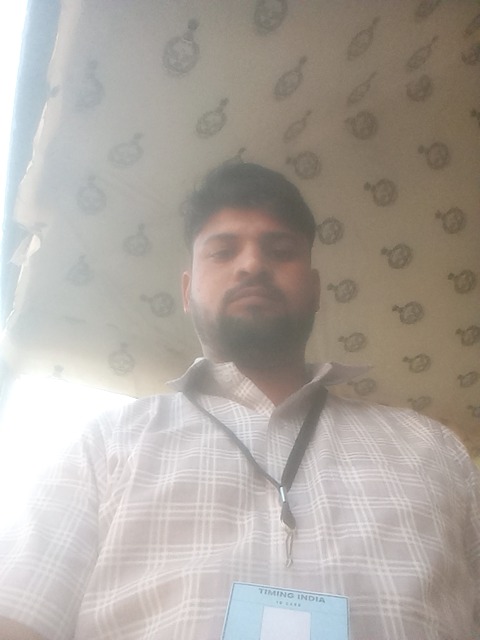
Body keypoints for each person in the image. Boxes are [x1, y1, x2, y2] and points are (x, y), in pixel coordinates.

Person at [0, 163, 479, 640]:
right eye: (223, 251)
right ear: (187, 291)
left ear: (315, 290)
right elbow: (18, 618)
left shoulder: (432, 448)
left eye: (281, 250)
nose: (252, 265)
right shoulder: (104, 444)